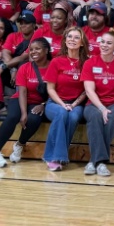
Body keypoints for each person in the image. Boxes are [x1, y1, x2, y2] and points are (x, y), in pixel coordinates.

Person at [0, 37, 51, 168]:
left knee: (34, 119)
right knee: (13, 117)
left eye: (37, 49)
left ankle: (19, 144)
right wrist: (23, 113)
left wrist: (43, 105)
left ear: (46, 50)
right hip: (20, 99)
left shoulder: (53, 66)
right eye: (31, 49)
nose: (33, 52)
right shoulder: (24, 67)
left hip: (40, 102)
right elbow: (22, 92)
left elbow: (56, 90)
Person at [82, 29, 114, 176]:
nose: (104, 45)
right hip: (94, 103)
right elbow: (89, 91)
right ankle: (101, 162)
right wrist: (102, 108)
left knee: (112, 117)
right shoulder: (90, 63)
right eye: (102, 42)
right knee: (96, 117)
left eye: (109, 43)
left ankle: (93, 161)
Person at [43, 27, 90, 171]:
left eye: (76, 37)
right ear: (65, 40)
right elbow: (50, 89)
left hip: (77, 103)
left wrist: (74, 104)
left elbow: (87, 90)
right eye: (69, 37)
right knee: (62, 113)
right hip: (55, 102)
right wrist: (63, 104)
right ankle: (55, 157)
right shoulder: (57, 61)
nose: (72, 40)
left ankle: (54, 156)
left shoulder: (87, 62)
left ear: (82, 43)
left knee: (74, 117)